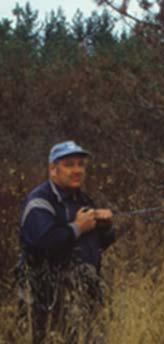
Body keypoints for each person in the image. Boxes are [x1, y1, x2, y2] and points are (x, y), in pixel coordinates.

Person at [18, 140, 116, 343]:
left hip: (85, 298)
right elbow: (45, 244)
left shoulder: (82, 199)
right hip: (48, 304)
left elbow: (96, 245)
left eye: (81, 164)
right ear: (53, 169)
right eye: (69, 164)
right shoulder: (40, 202)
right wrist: (77, 227)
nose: (77, 170)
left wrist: (105, 228)